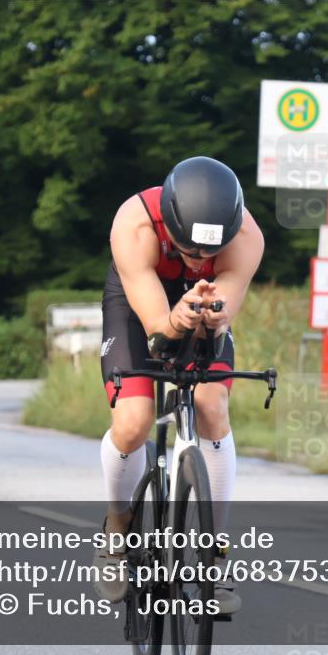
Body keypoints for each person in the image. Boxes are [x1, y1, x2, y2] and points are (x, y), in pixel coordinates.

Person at [93, 156, 264, 613]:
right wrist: (174, 319)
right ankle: (116, 530)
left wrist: (212, 316)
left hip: (204, 305)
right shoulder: (134, 225)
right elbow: (157, 331)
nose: (201, 261)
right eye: (190, 251)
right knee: (134, 422)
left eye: (211, 253)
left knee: (212, 406)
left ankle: (217, 555)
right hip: (140, 303)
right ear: (169, 224)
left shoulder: (247, 238)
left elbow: (221, 317)